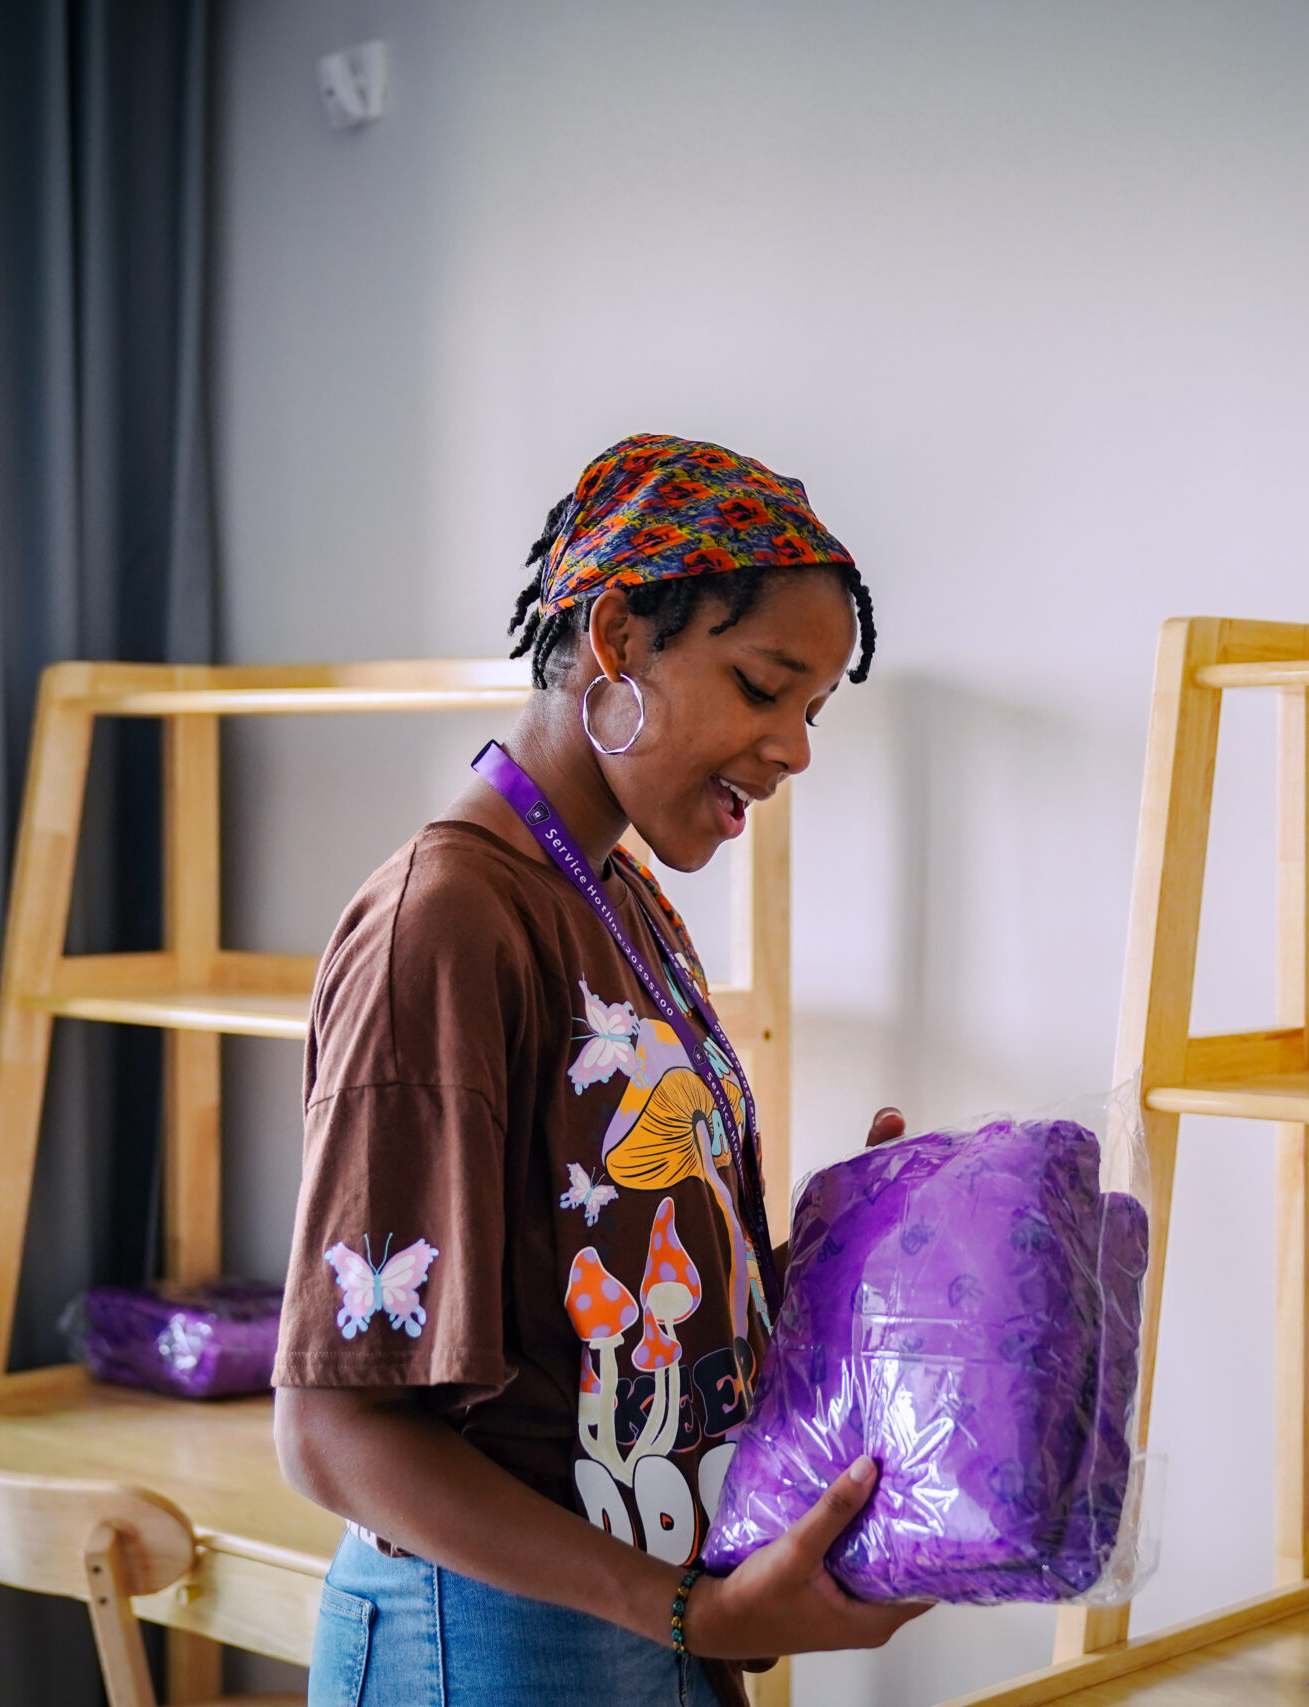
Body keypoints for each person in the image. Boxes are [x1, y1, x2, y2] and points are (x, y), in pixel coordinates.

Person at [273, 435, 927, 1706]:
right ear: (619, 638)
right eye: (761, 684)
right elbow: (335, 1428)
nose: (793, 748)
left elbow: (600, 1301)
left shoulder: (625, 903)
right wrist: (689, 1607)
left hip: (651, 1609)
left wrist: (838, 1255)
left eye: (813, 711)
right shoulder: (445, 922)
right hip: (495, 1638)